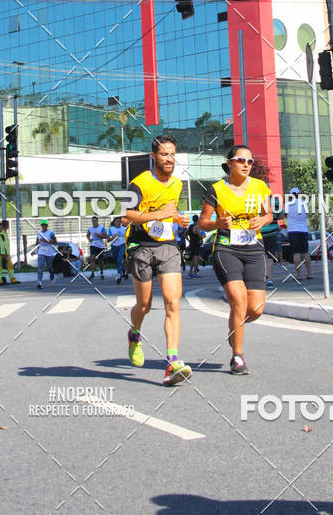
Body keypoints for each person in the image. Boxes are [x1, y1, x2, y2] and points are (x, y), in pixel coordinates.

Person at [123, 135, 192, 386]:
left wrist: (178, 219)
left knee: (173, 303)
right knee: (144, 305)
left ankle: (172, 362)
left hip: (167, 246)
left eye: (172, 154)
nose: (169, 159)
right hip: (141, 246)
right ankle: (134, 334)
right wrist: (159, 214)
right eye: (164, 154)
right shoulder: (139, 183)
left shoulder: (177, 184)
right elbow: (125, 216)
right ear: (154, 157)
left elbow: (169, 212)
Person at [199, 145, 273, 374]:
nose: (246, 165)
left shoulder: (260, 187)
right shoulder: (216, 190)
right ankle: (237, 357)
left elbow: (269, 214)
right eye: (241, 160)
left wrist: (263, 220)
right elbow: (202, 223)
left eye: (250, 161)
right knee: (238, 302)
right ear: (229, 163)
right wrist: (218, 223)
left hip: (253, 248)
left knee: (256, 309)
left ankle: (235, 329)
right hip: (226, 249)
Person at [287, 188, 312, 280]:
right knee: (305, 252)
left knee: (296, 253)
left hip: (292, 230)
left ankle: (299, 275)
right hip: (303, 230)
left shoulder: (288, 204)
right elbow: (307, 214)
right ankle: (309, 274)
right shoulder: (304, 203)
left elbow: (285, 214)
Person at [260, 207, 280, 288]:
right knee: (270, 256)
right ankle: (270, 280)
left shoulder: (254, 200)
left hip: (258, 232)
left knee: (258, 256)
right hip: (271, 232)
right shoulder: (275, 202)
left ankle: (260, 279)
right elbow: (280, 216)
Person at [36, 219, 57, 288]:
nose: (44, 226)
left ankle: (52, 277)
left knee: (50, 267)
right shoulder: (39, 233)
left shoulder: (50, 232)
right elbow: (36, 242)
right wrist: (39, 241)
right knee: (40, 267)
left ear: (47, 225)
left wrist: (47, 241)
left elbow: (55, 241)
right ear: (41, 226)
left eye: (45, 225)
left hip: (49, 251)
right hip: (41, 251)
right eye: (43, 225)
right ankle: (39, 282)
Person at [108, 216, 127, 284]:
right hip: (114, 245)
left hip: (122, 245)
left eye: (120, 221)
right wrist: (113, 237)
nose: (119, 223)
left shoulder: (123, 229)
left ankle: (119, 274)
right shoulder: (111, 229)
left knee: (120, 259)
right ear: (114, 222)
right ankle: (122, 270)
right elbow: (108, 239)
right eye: (117, 221)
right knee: (116, 260)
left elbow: (127, 237)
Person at [0, 219, 20, 284]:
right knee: (4, 267)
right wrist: (4, 253)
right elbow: (2, 244)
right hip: (4, 253)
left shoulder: (5, 233)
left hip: (7, 253)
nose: (8, 226)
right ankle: (4, 279)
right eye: (8, 225)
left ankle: (12, 279)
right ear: (5, 225)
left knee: (10, 266)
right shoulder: (2, 233)